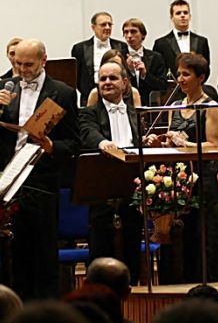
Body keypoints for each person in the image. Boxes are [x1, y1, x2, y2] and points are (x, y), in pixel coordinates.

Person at [0, 38, 79, 300]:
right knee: (14, 252)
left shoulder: (63, 93)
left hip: (42, 179)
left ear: (44, 60)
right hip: (10, 180)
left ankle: (45, 309)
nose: (22, 69)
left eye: (29, 64)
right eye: (18, 63)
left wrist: (51, 146)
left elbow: (74, 142)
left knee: (44, 251)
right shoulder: (5, 87)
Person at [159, 52, 218, 283]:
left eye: (186, 74)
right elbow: (171, 143)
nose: (180, 79)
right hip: (178, 178)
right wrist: (163, 142)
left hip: (202, 179)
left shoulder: (209, 106)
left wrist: (185, 143)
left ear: (200, 77)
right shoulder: (175, 106)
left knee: (202, 230)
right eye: (178, 74)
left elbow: (214, 145)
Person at [79, 62, 144, 283]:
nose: (107, 82)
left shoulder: (136, 112)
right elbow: (88, 132)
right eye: (103, 78)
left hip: (132, 186)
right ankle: (99, 291)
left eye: (113, 78)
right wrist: (103, 143)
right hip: (102, 185)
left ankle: (133, 289)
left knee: (132, 242)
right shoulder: (88, 113)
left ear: (125, 83)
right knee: (100, 244)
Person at [71, 12, 128, 106]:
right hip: (89, 98)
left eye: (110, 24)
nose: (107, 27)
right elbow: (76, 76)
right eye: (103, 24)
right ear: (93, 27)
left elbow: (124, 73)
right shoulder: (79, 48)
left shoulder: (121, 46)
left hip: (116, 97)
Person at [153, 0, 210, 77]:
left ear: (190, 17)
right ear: (171, 18)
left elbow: (206, 68)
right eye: (178, 13)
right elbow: (157, 70)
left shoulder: (202, 41)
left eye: (185, 12)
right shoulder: (161, 43)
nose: (182, 15)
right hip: (171, 84)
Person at [121, 17, 167, 106]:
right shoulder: (120, 57)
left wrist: (145, 75)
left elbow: (163, 86)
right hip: (126, 105)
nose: (129, 36)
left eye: (133, 31)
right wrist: (130, 73)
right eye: (126, 32)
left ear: (143, 35)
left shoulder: (156, 57)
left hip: (150, 105)